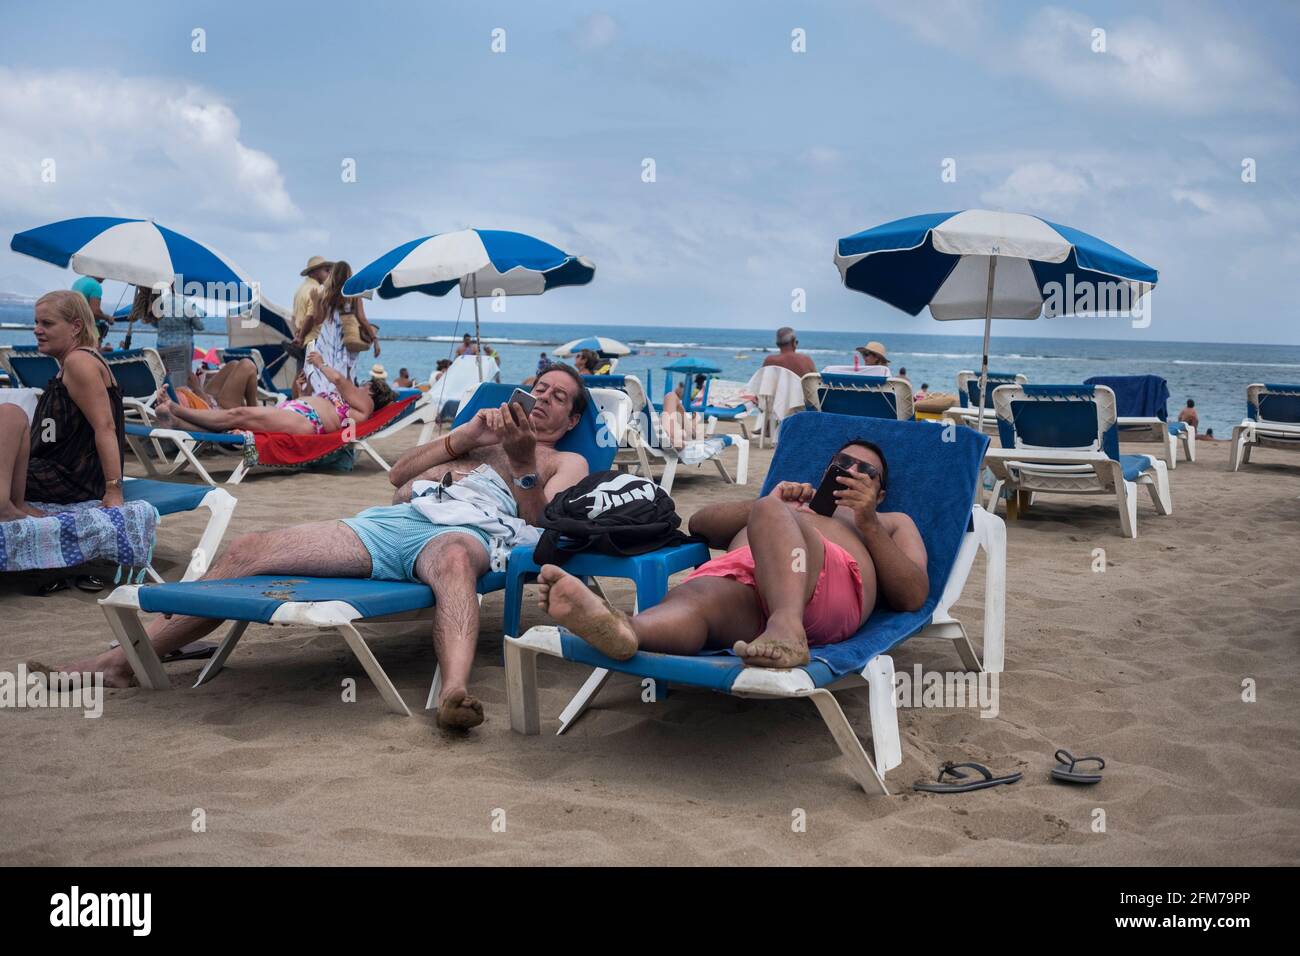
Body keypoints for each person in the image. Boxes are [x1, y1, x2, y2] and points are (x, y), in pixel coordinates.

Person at [50, 366, 592, 732]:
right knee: (249, 549)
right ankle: (124, 661)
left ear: (570, 422)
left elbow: (545, 526)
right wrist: (465, 438)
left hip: (468, 538)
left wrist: (522, 463)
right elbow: (398, 477)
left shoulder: (564, 463)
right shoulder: (478, 437)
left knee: (451, 560)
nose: (543, 398)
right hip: (393, 523)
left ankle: (453, 691)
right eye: (538, 388)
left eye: (558, 398)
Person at [537, 439, 929, 669]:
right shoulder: (791, 504)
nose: (851, 471)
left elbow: (913, 595)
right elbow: (702, 525)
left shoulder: (891, 521)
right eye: (842, 463)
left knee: (769, 513)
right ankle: (626, 630)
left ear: (880, 492)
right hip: (748, 583)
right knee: (697, 598)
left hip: (825, 588)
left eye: (866, 471)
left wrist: (868, 521)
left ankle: (788, 627)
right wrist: (770, 502)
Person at [0, 291, 126, 521]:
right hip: (54, 471)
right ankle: (12, 503)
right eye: (36, 322)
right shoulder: (72, 363)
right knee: (11, 416)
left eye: (47, 323)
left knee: (9, 413)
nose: (37, 329)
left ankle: (5, 506)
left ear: (76, 327)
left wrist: (114, 490)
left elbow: (106, 426)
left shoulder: (79, 362)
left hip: (71, 478)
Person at [153, 353, 393, 437]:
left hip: (308, 421)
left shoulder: (366, 402)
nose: (359, 385)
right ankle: (176, 421)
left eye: (364, 383)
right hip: (298, 412)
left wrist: (320, 364)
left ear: (372, 388)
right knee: (235, 420)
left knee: (239, 414)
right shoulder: (351, 404)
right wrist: (302, 389)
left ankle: (175, 408)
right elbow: (316, 400)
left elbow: (339, 379)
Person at [297, 261, 379, 394]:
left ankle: (324, 398)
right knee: (346, 372)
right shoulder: (353, 294)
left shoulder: (326, 294)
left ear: (333, 275)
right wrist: (375, 340)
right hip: (346, 338)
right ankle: (343, 402)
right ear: (349, 274)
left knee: (324, 370)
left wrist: (315, 300)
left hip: (327, 339)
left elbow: (318, 320)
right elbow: (362, 318)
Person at [134, 286, 204, 391]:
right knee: (182, 380)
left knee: (165, 378)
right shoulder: (187, 304)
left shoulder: (160, 303)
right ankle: (180, 403)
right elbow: (199, 326)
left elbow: (154, 323)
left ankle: (167, 400)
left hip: (163, 345)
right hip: (182, 346)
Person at [292, 256, 332, 339]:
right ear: (314, 272)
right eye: (326, 270)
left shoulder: (299, 290)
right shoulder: (317, 290)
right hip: (315, 340)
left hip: (304, 342)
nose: (329, 274)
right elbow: (310, 317)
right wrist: (301, 338)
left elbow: (293, 318)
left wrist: (298, 336)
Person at [71, 275, 113, 346]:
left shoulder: (77, 283)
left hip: (75, 328)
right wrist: (108, 318)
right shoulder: (95, 285)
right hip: (89, 329)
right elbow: (94, 312)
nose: (105, 277)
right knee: (92, 354)